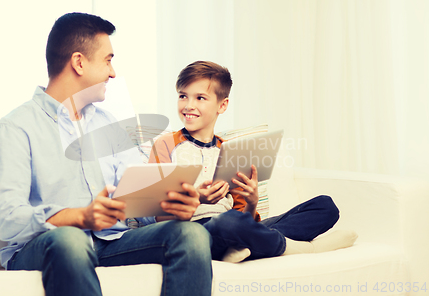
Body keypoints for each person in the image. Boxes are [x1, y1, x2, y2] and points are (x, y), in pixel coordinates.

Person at [0, 13, 213, 296]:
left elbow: (135, 203)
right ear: (79, 62)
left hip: (111, 243)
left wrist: (166, 209)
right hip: (46, 247)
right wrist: (80, 217)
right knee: (70, 239)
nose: (113, 72)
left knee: (191, 234)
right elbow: (6, 217)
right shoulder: (16, 127)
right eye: (108, 60)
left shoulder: (110, 125)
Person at [149, 60, 358, 263]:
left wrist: (252, 202)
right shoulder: (165, 145)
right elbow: (158, 218)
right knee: (229, 223)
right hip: (195, 231)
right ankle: (304, 248)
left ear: (222, 105)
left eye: (200, 98)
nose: (189, 105)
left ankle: (242, 248)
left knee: (325, 206)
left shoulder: (230, 152)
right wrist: (197, 199)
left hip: (236, 227)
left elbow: (245, 218)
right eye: (183, 96)